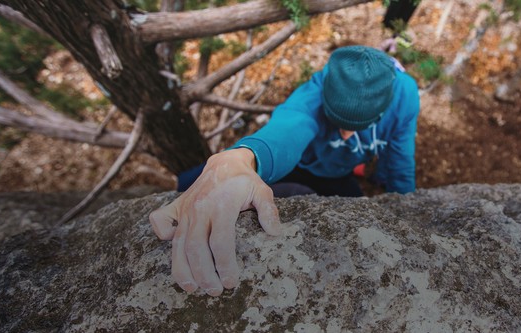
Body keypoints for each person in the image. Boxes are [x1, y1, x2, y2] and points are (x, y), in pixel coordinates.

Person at [149, 45, 420, 296]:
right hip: (299, 165)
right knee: (192, 182)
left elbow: (400, 157)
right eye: (337, 121)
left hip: (340, 174)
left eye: (357, 126)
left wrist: (405, 210)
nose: (346, 134)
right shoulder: (312, 94)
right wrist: (240, 160)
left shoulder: (405, 94)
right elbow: (286, 130)